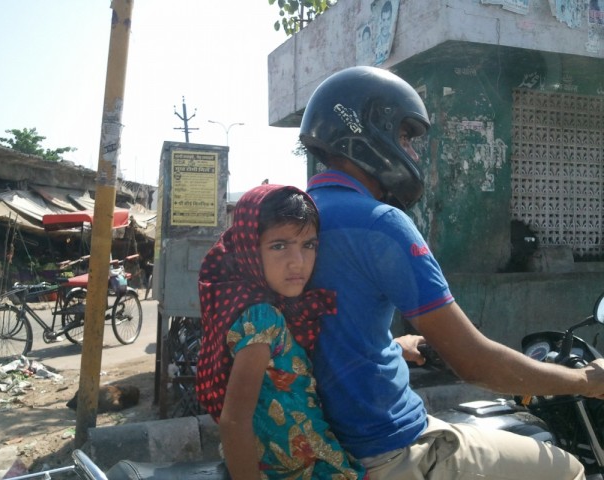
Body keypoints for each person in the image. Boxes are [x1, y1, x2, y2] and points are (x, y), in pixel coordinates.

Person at [299, 65, 604, 479]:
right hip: (388, 448)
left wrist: (394, 346)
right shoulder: (380, 223)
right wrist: (585, 380)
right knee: (566, 468)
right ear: (370, 130)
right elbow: (474, 362)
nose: (412, 153)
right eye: (405, 137)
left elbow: (325, 329)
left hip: (320, 439)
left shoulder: (294, 221)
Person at [196, 184, 367, 479]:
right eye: (279, 246)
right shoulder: (263, 316)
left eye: (308, 245)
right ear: (249, 248)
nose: (297, 262)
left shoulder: (271, 305)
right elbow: (234, 422)